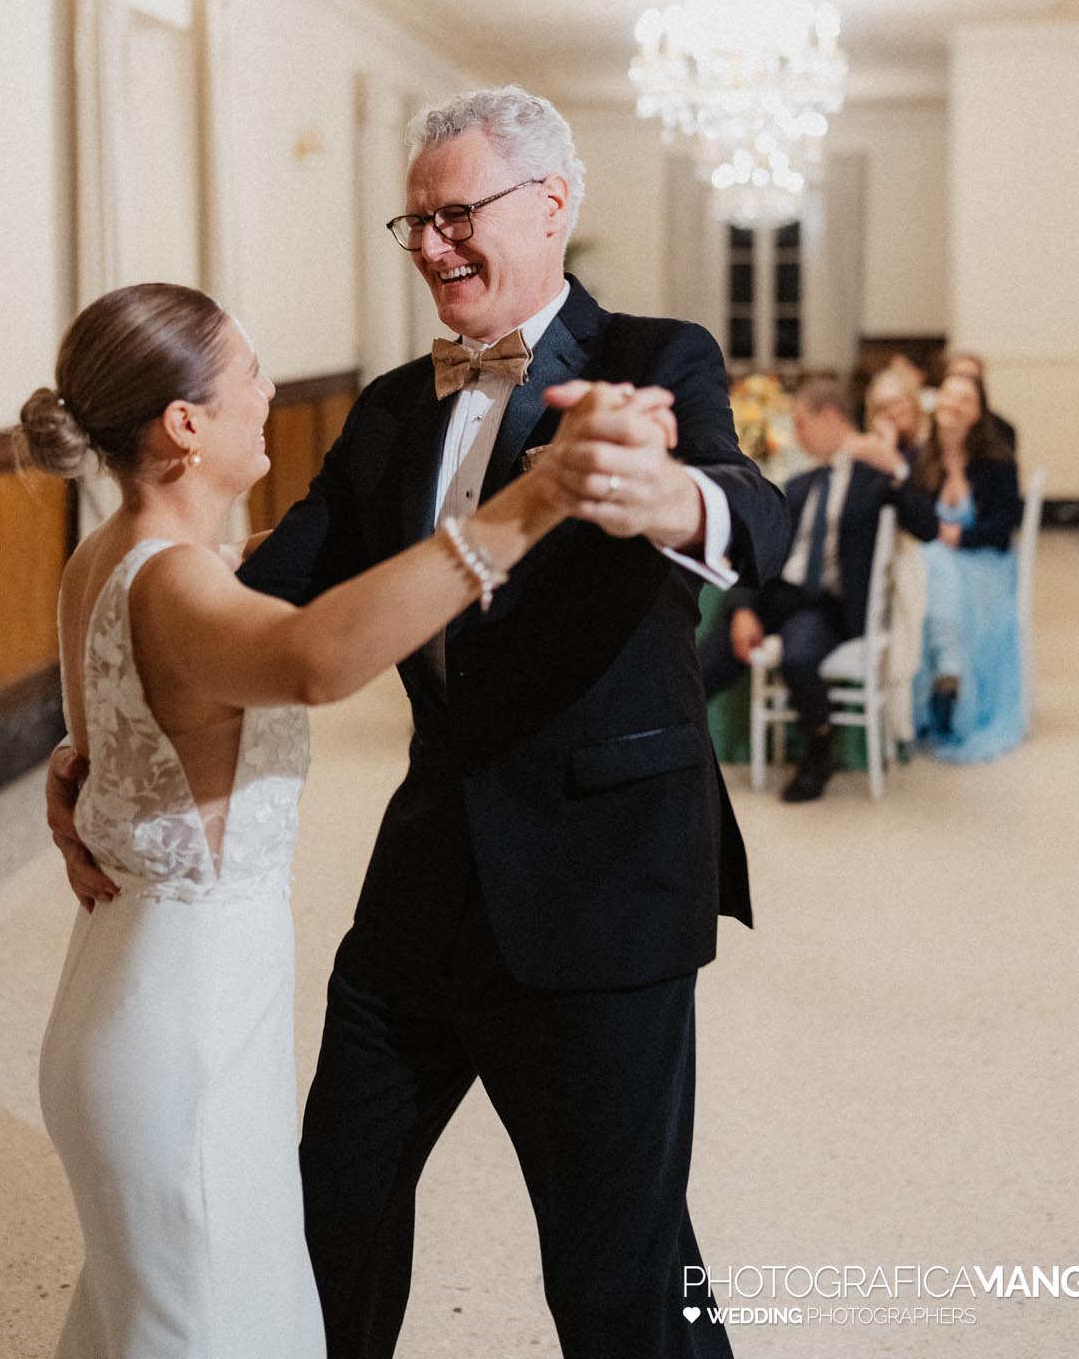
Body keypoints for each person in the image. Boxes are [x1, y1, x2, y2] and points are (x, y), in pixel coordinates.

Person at [52, 85, 790, 1359]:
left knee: (618, 1264)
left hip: (604, 885)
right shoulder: (393, 405)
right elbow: (266, 599)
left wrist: (663, 492)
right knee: (329, 1207)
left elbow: (752, 516)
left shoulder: (658, 360)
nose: (435, 245)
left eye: (459, 214)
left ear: (552, 202)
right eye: (418, 220)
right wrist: (106, 735)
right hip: (425, 884)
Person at [25, 278, 654, 1359]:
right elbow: (316, 659)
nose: (270, 389)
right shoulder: (180, 587)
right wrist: (533, 500)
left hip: (125, 984)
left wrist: (76, 762)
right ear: (185, 422)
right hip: (186, 1028)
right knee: (214, 1326)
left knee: (164, 1316)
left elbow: (128, 716)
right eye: (249, 373)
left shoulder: (107, 556)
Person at [700, 376, 938, 803]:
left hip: (828, 604)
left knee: (800, 655)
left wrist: (897, 469)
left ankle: (819, 751)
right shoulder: (801, 484)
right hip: (781, 595)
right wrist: (744, 609)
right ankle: (678, 755)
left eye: (801, 423)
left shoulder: (876, 479)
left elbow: (927, 526)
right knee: (707, 662)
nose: (797, 435)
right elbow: (766, 552)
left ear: (830, 417)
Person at [912, 370, 1024, 760]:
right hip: (936, 563)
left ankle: (951, 669)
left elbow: (1004, 527)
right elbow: (915, 516)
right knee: (930, 565)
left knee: (937, 564)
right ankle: (944, 674)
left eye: (965, 400)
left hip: (984, 563)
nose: (953, 406)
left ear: (978, 413)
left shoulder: (996, 461)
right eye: (948, 396)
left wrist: (960, 537)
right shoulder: (922, 456)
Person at [945, 350, 1018, 455]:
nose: (962, 384)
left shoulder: (1002, 431)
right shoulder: (928, 431)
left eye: (970, 378)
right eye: (957, 376)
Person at [864, 365, 928, 461]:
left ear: (913, 401)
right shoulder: (876, 447)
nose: (892, 412)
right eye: (882, 408)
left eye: (897, 402)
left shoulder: (932, 440)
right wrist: (888, 444)